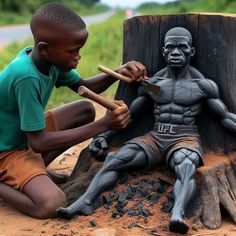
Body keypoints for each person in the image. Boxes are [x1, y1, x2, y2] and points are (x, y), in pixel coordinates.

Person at [57, 27, 236, 234]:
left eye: (182, 47)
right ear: (163, 52)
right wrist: (105, 134)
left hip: (184, 137)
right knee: (114, 160)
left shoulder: (203, 86)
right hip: (155, 137)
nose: (176, 52)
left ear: (191, 52)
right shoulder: (154, 84)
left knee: (186, 166)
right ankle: (84, 202)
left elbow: (224, 117)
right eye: (170, 47)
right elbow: (131, 115)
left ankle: (177, 213)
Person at [0, 2, 147, 219]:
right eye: (73, 51)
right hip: (7, 149)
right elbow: (38, 142)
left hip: (20, 136)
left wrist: (118, 72)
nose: (78, 56)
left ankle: (34, 171)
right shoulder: (27, 76)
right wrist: (103, 125)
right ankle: (15, 179)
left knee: (85, 110)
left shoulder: (46, 61)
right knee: (51, 204)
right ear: (45, 48)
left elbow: (86, 86)